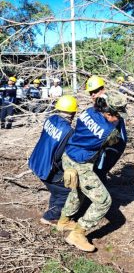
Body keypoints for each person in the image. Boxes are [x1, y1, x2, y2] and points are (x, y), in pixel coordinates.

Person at [58, 91, 127, 252]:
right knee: (103, 201)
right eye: (117, 115)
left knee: (78, 191)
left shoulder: (89, 110)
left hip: (68, 155)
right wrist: (116, 126)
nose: (119, 118)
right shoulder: (109, 132)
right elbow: (116, 141)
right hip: (81, 164)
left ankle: (64, 220)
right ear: (109, 113)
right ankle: (78, 233)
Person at [28, 95, 78, 228]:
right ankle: (50, 217)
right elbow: (59, 156)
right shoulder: (68, 131)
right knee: (65, 191)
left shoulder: (50, 119)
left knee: (56, 189)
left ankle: (53, 210)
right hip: (47, 167)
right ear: (73, 113)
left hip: (36, 160)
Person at [85, 75, 127, 181]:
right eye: (91, 93)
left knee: (100, 171)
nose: (93, 95)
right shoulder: (99, 104)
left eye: (95, 91)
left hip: (115, 143)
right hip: (106, 140)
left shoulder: (111, 103)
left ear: (103, 89)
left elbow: (114, 128)